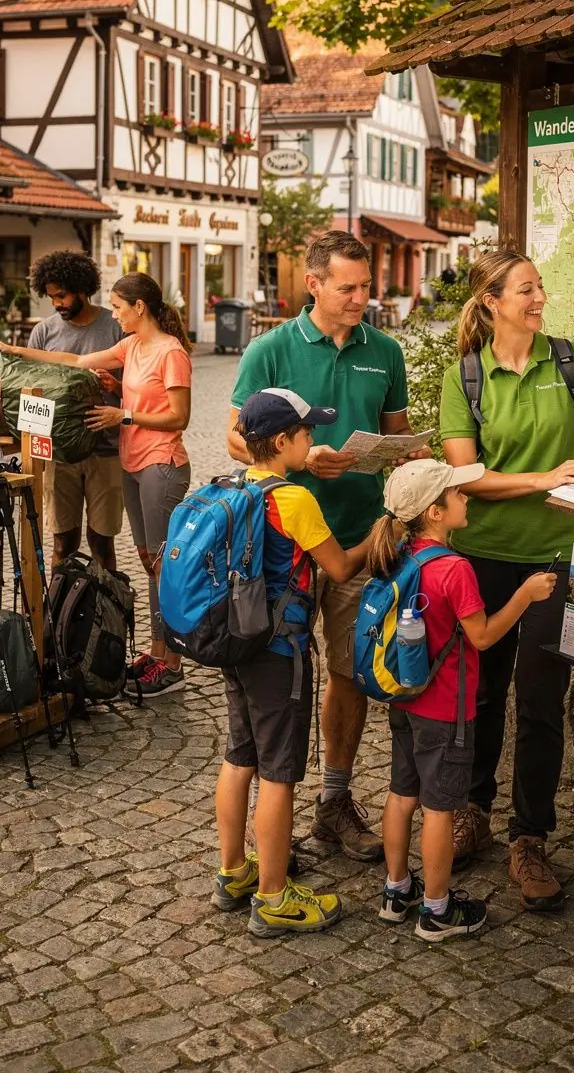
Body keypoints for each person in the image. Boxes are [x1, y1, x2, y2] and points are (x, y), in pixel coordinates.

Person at [439, 249, 574, 910]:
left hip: (565, 557)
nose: (539, 299)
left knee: (540, 699)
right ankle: (472, 811)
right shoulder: (465, 376)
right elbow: (465, 474)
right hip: (482, 556)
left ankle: (529, 837)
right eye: (526, 290)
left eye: (540, 287)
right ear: (492, 302)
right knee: (481, 692)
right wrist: (547, 479)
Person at [228, 230, 425, 862]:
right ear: (313, 284)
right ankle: (267, 826)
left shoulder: (385, 351)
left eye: (366, 286)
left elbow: (397, 436)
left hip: (359, 538)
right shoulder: (271, 349)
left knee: (349, 673)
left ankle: (334, 803)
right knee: (275, 678)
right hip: (279, 546)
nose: (361, 298)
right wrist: (303, 459)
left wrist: (404, 457)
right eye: (348, 288)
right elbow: (236, 438)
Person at [370, 459, 557, 941]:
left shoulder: (399, 554)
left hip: (405, 699)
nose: (466, 496)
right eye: (457, 493)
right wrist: (525, 595)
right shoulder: (454, 569)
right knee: (439, 807)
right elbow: (484, 636)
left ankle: (396, 891)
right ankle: (437, 910)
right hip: (444, 709)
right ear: (434, 512)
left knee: (401, 794)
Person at [213, 388, 372, 936]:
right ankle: (273, 897)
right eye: (307, 433)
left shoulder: (235, 486)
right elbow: (341, 567)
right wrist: (380, 535)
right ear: (282, 441)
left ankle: (233, 871)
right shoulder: (294, 499)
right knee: (279, 773)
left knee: (239, 756)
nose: (313, 440)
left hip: (237, 641)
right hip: (279, 651)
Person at [0, 271, 193, 700]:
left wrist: (123, 415)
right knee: (149, 561)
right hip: (133, 462)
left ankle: (172, 665)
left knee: (164, 564)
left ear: (139, 307)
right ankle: (156, 651)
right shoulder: (133, 345)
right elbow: (75, 361)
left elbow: (179, 416)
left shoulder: (171, 352)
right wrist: (13, 350)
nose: (114, 315)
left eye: (119, 307)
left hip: (161, 465)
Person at [27, 250, 124, 572]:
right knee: (62, 543)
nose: (56, 303)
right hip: (59, 455)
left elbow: (138, 392)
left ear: (83, 288)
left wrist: (115, 387)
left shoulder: (116, 328)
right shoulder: (44, 332)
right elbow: (29, 389)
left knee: (102, 544)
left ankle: (105, 603)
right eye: (51, 297)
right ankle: (59, 602)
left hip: (107, 451)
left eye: (62, 295)